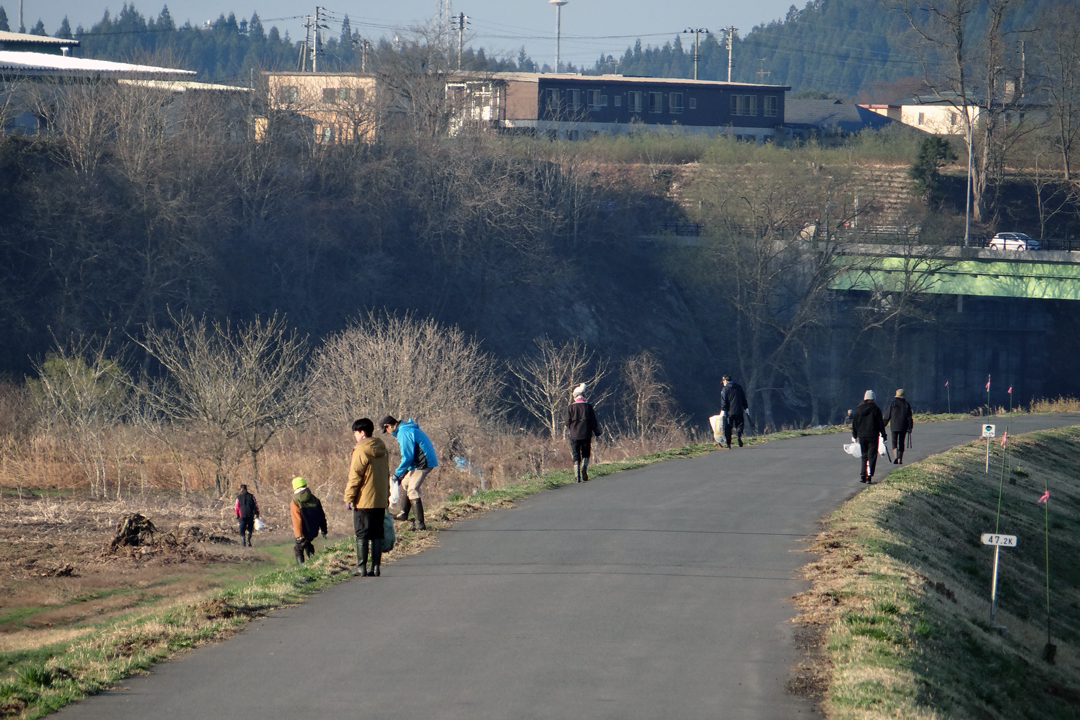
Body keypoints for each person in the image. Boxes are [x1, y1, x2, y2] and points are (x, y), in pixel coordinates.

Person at [344, 418, 390, 577]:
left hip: (364, 499)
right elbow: (386, 474)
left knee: (362, 533)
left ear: (362, 432)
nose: (355, 436)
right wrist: (387, 495)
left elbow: (355, 476)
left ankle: (361, 567)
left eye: (355, 433)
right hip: (380, 498)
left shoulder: (360, 451)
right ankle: (376, 566)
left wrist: (349, 497)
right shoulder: (382, 449)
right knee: (377, 533)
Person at [380, 415, 438, 531]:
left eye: (386, 430)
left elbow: (407, 457)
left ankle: (420, 524)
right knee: (406, 483)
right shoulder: (405, 429)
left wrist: (397, 474)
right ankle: (403, 514)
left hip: (423, 463)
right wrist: (402, 474)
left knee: (412, 489)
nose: (388, 433)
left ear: (389, 425)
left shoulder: (403, 432)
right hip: (419, 463)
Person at [566, 382, 603, 482]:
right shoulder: (588, 407)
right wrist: (597, 432)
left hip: (574, 435)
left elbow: (567, 422)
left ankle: (577, 475)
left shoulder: (570, 408)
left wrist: (570, 430)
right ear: (584, 396)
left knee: (575, 454)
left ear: (575, 396)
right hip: (586, 434)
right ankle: (584, 468)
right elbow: (593, 421)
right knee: (586, 453)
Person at [851, 390, 887, 483]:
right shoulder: (876, 409)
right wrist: (884, 435)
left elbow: (854, 424)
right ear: (873, 399)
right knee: (872, 455)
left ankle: (863, 475)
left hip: (861, 435)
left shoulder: (858, 410)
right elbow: (880, 424)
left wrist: (854, 435)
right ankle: (869, 476)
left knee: (864, 455)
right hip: (873, 435)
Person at [290, 476, 327, 564]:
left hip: (304, 531)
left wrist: (298, 536)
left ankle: (302, 569)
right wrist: (324, 530)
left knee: (298, 548)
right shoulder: (315, 499)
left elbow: (297, 520)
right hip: (314, 530)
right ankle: (312, 561)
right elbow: (321, 515)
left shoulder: (295, 501)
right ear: (305, 485)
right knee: (307, 543)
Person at [883, 389, 914, 464]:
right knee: (901, 442)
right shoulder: (907, 405)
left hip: (894, 426)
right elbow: (909, 418)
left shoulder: (892, 404)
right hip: (903, 426)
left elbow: (887, 416)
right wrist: (910, 427)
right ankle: (900, 458)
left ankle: (895, 456)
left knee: (894, 442)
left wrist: (882, 425)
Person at [718, 375, 749, 448]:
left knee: (728, 427)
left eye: (723, 381)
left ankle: (728, 443)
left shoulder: (725, 389)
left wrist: (723, 410)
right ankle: (738, 436)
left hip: (729, 412)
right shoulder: (739, 387)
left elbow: (724, 401)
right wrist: (746, 407)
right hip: (739, 410)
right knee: (740, 425)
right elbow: (743, 398)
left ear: (725, 380)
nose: (723, 383)